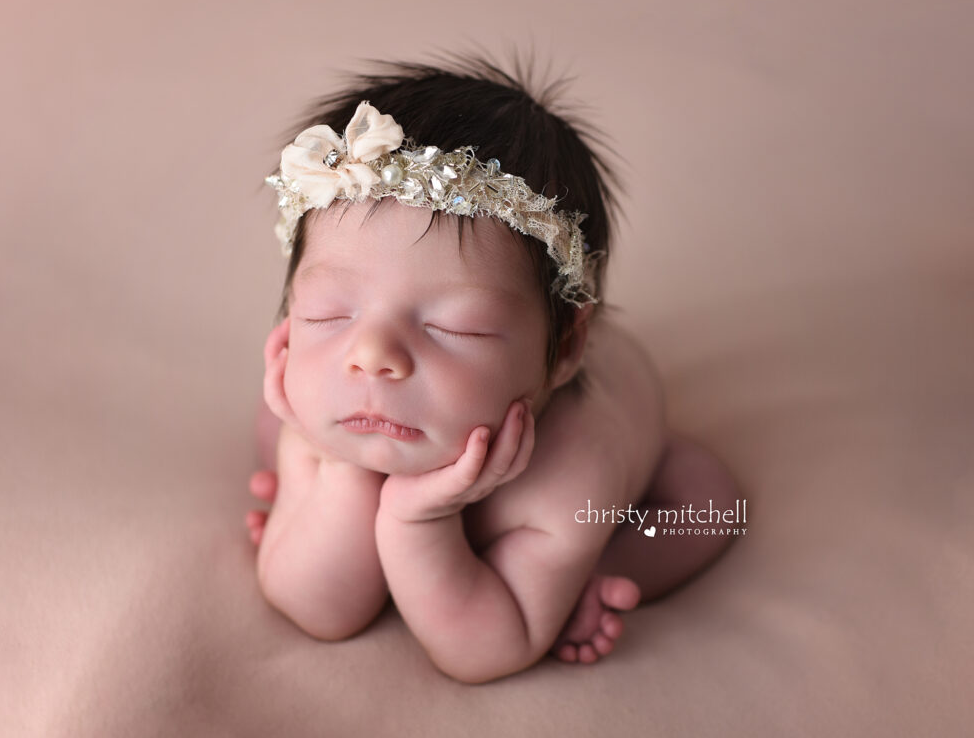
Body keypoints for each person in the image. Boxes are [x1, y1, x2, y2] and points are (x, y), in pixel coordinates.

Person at [246, 53, 744, 684]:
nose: (369, 355)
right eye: (326, 314)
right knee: (277, 417)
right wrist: (341, 473)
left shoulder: (567, 483)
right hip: (377, 431)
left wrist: (414, 519)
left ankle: (591, 573)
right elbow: (319, 612)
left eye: (453, 327)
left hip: (612, 464)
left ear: (562, 351)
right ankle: (307, 492)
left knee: (715, 503)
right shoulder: (334, 408)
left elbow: (484, 652)